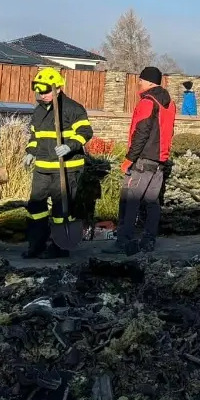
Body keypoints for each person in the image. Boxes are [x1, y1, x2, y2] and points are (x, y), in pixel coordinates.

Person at [23, 67, 93, 259]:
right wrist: (30, 152)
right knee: (36, 208)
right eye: (39, 90)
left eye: (46, 91)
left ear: (58, 89)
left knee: (61, 209)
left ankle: (59, 247)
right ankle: (36, 245)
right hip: (43, 168)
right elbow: (35, 136)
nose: (42, 94)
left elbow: (86, 132)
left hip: (66, 169)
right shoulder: (39, 112)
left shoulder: (72, 109)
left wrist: (70, 146)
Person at [109, 66, 177, 255]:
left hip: (143, 160)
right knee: (152, 202)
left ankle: (123, 242)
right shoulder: (169, 103)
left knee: (129, 200)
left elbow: (141, 133)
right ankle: (149, 241)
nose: (138, 83)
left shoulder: (148, 102)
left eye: (140, 80)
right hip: (159, 161)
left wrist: (129, 159)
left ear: (148, 82)